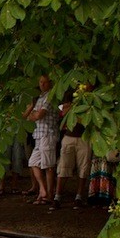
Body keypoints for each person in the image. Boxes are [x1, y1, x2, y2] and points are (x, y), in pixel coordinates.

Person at [51, 87, 92, 210]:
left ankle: (78, 197)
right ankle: (57, 197)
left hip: (84, 138)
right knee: (63, 167)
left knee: (83, 168)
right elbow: (64, 113)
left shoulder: (90, 100)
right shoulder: (69, 96)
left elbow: (86, 119)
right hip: (69, 137)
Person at [23, 75, 58, 205]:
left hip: (48, 134)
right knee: (33, 163)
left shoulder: (50, 96)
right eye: (40, 82)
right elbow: (26, 117)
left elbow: (39, 115)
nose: (42, 84)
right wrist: (33, 114)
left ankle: (49, 195)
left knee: (48, 166)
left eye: (45, 82)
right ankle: (43, 191)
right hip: (38, 135)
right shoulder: (39, 98)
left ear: (50, 83)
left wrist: (33, 115)